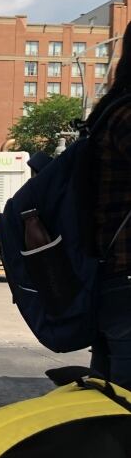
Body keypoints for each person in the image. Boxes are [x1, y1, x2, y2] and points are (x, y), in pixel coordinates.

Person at [87, 26, 131, 389]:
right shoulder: (127, 116)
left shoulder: (109, 111)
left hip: (113, 282)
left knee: (108, 406)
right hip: (127, 281)